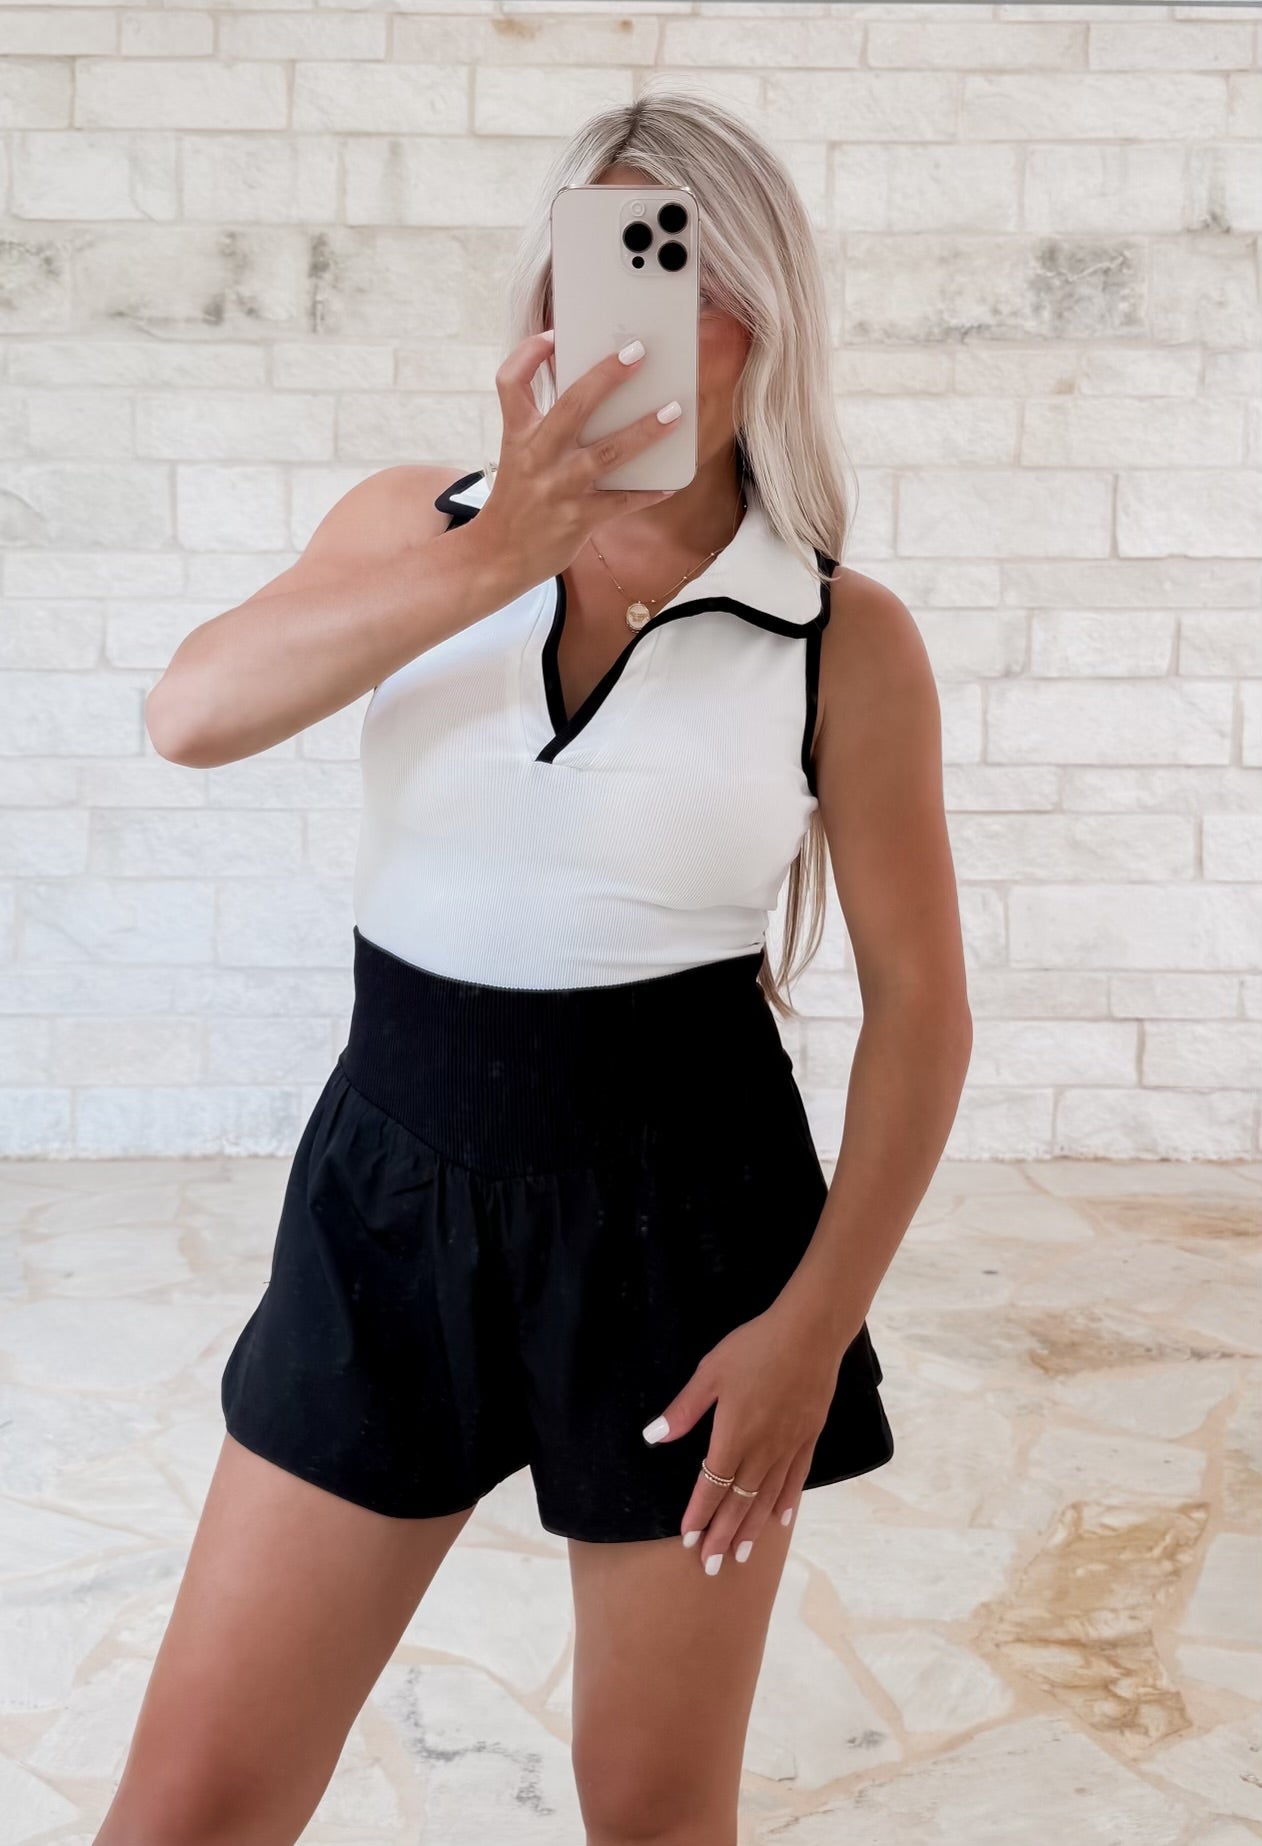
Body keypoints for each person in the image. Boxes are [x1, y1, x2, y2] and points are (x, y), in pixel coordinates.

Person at [98, 88, 971, 1846]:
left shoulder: (838, 635)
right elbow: (190, 715)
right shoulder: (411, 525)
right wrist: (498, 549)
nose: (636, 328)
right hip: (386, 1207)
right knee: (190, 1806)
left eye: (690, 283)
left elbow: (920, 1014)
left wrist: (811, 1329)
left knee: (650, 1813)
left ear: (763, 322)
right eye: (606, 269)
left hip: (685, 1237)